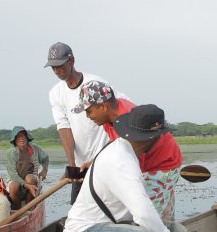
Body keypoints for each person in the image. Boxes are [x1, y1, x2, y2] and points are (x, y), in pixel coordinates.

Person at [62, 105, 187, 232]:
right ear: (152, 138)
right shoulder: (121, 161)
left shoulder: (126, 151)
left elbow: (143, 209)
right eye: (160, 135)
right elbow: (142, 212)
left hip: (112, 226)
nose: (161, 139)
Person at [76, 80, 183, 221]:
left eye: (89, 111)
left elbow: (131, 164)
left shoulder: (128, 119)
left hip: (163, 165)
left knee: (146, 215)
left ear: (103, 107)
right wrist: (95, 162)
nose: (88, 116)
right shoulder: (108, 119)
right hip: (145, 162)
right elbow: (117, 144)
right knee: (152, 209)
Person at [46, 42, 125, 203]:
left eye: (60, 66)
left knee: (110, 206)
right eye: (53, 68)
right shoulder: (56, 93)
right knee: (77, 210)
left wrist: (101, 158)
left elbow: (120, 108)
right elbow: (64, 128)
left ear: (71, 61)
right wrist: (72, 166)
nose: (56, 71)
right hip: (81, 166)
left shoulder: (96, 83)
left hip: (104, 161)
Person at [5, 126, 50, 207]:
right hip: (15, 180)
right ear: (14, 139)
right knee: (14, 186)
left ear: (27, 137)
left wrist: (44, 171)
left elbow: (46, 158)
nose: (21, 139)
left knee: (30, 177)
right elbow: (13, 175)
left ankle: (29, 206)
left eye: (23, 136)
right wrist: (26, 185)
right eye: (18, 136)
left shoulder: (34, 148)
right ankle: (18, 210)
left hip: (32, 181)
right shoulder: (11, 152)